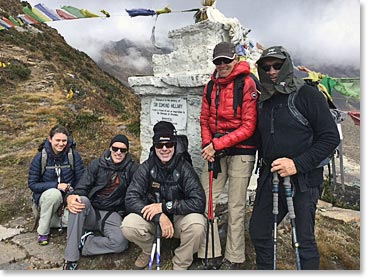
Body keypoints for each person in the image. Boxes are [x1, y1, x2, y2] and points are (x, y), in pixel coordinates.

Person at [249, 46, 340, 269]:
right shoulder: (264, 100)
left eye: (277, 66)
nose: (271, 71)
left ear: (287, 65)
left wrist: (296, 164)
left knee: (302, 240)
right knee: (260, 232)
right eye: (266, 67)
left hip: (304, 180)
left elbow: (330, 138)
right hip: (270, 178)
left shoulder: (307, 95)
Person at [197, 41, 259, 269]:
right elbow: (204, 119)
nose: (222, 65)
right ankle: (209, 252)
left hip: (242, 153)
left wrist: (217, 144)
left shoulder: (247, 83)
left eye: (226, 60)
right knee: (206, 201)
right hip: (216, 151)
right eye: (218, 61)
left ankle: (234, 258)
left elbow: (248, 126)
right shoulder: (210, 86)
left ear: (235, 58)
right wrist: (208, 144)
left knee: (235, 206)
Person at [121, 121, 206, 270]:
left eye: (169, 145)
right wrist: (159, 216)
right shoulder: (146, 167)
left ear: (174, 145)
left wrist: (165, 207)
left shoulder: (185, 168)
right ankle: (149, 251)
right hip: (154, 220)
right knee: (129, 225)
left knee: (198, 224)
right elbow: (130, 198)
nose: (164, 149)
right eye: (160, 145)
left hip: (179, 218)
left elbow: (199, 201)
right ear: (154, 147)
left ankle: (180, 262)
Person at [63, 134, 138, 270]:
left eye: (123, 150)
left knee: (120, 243)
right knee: (80, 200)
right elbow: (82, 188)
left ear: (127, 152)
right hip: (91, 209)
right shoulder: (97, 164)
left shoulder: (132, 169)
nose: (118, 152)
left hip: (112, 213)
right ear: (110, 148)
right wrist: (70, 197)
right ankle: (71, 258)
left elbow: (136, 193)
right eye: (115, 148)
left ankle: (85, 242)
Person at [28, 124, 84, 245]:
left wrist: (72, 196)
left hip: (67, 196)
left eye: (64, 140)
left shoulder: (73, 155)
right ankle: (43, 231)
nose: (61, 144)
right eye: (57, 140)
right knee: (54, 194)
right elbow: (32, 184)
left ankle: (53, 220)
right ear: (50, 139)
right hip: (47, 198)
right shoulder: (40, 157)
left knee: (79, 213)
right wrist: (56, 186)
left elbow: (81, 181)